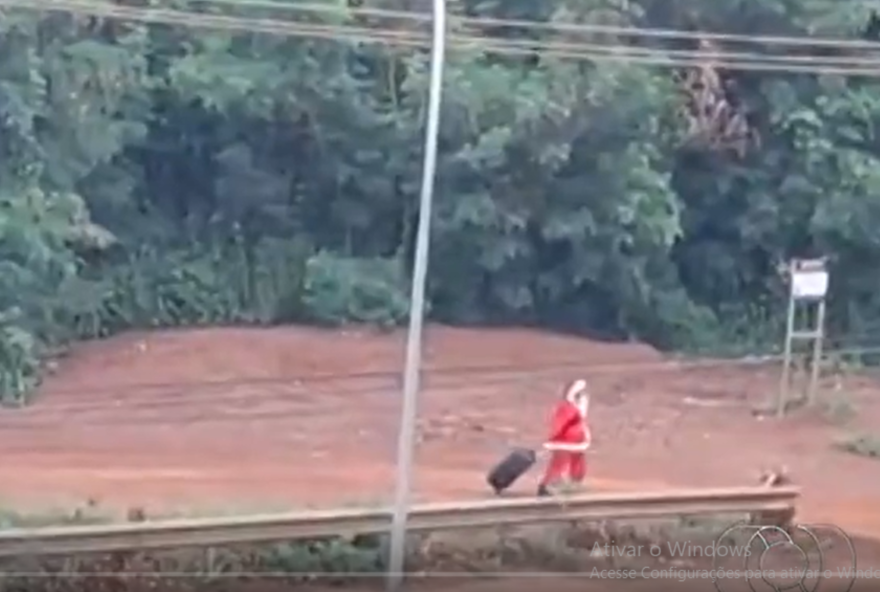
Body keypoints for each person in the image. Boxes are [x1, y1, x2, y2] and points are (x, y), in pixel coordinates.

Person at [538, 378, 591, 496]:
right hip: (566, 441)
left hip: (574, 442)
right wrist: (553, 440)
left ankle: (572, 483)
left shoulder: (575, 408)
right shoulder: (566, 408)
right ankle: (547, 485)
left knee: (576, 462)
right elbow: (560, 425)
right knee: (560, 462)